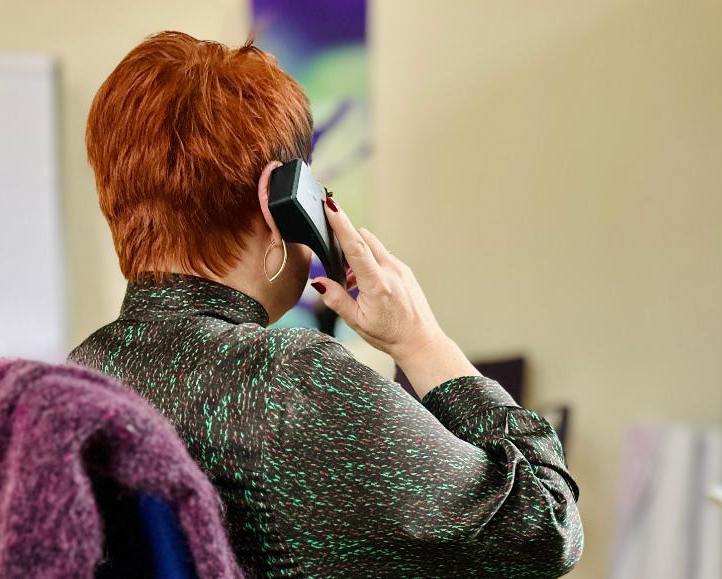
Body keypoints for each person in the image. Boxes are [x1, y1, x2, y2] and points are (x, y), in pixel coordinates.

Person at [71, 31, 582, 577]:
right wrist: (423, 342)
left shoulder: (78, 376)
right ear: (282, 201)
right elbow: (545, 527)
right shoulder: (296, 383)